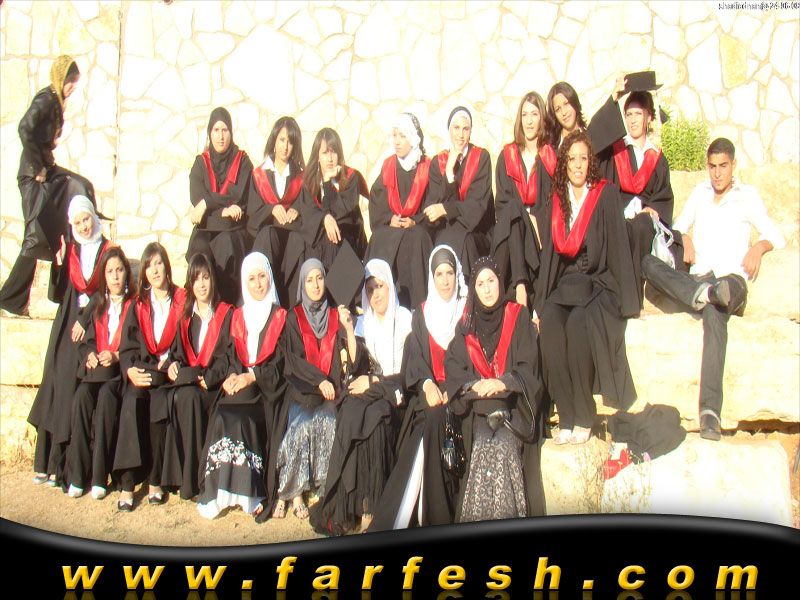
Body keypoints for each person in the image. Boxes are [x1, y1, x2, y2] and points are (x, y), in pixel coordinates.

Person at [641, 138, 785, 441]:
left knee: (717, 305)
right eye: (712, 166)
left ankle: (710, 411)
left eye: (723, 166)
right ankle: (704, 295)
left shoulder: (747, 196)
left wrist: (758, 247)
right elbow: (676, 228)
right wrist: (686, 238)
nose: (717, 173)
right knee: (648, 264)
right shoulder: (700, 193)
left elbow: (775, 235)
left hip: (731, 282)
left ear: (733, 166)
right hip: (701, 280)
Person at [537, 131, 640, 445]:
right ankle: (566, 415)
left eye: (583, 158)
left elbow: (619, 246)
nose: (578, 165)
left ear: (590, 162)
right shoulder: (558, 199)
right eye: (572, 159)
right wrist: (540, 305)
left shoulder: (604, 194)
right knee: (551, 324)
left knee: (579, 325)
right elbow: (550, 257)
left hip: (597, 282)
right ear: (565, 164)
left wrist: (628, 303)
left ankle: (584, 414)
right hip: (566, 284)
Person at [369, 245, 467, 531]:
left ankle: (429, 516)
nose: (445, 281)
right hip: (429, 393)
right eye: (439, 274)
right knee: (426, 424)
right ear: (431, 278)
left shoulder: (467, 312)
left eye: (450, 273)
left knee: (432, 424)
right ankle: (406, 515)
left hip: (460, 392)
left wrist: (452, 388)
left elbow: (471, 358)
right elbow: (416, 360)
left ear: (457, 275)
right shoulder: (422, 314)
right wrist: (427, 384)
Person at [311, 258, 411, 535]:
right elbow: (356, 369)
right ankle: (348, 505)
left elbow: (409, 374)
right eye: (369, 289)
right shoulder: (364, 323)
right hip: (370, 391)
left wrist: (375, 381)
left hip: (396, 393)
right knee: (351, 413)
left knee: (375, 420)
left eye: (380, 287)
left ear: (390, 286)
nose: (375, 294)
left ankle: (370, 508)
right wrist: (348, 329)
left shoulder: (406, 320)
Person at [444, 257, 545, 522]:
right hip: (477, 413)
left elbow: (530, 366)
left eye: (491, 281)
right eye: (480, 284)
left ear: (500, 282)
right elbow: (453, 367)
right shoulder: (466, 326)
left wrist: (504, 382)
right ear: (473, 289)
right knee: (481, 446)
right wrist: (473, 384)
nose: (487, 289)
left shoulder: (518, 316)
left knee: (502, 446)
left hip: (513, 410)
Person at [1, 55, 96, 316]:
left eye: (74, 82)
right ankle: (10, 299)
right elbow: (25, 128)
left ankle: (62, 292)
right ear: (60, 78)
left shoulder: (56, 101)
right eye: (70, 81)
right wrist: (38, 166)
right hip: (33, 176)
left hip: (45, 169)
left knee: (80, 189)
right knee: (35, 236)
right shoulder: (46, 99)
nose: (72, 87)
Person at [28, 196, 112, 487]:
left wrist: (85, 319)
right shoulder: (72, 250)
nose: (84, 226)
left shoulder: (108, 250)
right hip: (66, 326)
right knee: (57, 387)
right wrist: (59, 265)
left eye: (86, 219)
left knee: (78, 394)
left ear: (93, 217)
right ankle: (48, 462)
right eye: (78, 223)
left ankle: (69, 466)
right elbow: (57, 294)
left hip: (93, 325)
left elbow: (106, 291)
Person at [197, 253, 288, 520]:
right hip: (240, 386)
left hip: (266, 391)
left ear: (269, 278)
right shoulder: (238, 316)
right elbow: (227, 355)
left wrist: (253, 377)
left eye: (262, 277)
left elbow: (282, 364)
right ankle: (220, 491)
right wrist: (229, 376)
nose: (258, 284)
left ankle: (249, 493)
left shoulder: (281, 317)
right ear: (244, 283)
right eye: (251, 279)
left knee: (241, 419)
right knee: (223, 414)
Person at [272, 259, 358, 520]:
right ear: (302, 284)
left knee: (328, 419)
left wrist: (348, 326)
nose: (316, 285)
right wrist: (318, 380)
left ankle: (322, 483)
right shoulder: (293, 317)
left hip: (331, 391)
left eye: (320, 278)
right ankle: (293, 491)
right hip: (303, 389)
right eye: (309, 280)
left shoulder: (334, 315)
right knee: (300, 425)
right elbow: (293, 361)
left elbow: (348, 359)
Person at [115, 242, 186, 511]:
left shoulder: (182, 301)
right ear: (144, 272)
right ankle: (127, 483)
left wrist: (175, 362)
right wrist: (129, 370)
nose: (155, 270)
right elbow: (127, 348)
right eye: (149, 265)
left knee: (159, 405)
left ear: (167, 266)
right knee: (131, 401)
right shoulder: (139, 305)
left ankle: (156, 480)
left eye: (158, 263)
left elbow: (188, 343)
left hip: (166, 376)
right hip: (142, 372)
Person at [156, 253, 233, 500]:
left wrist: (210, 378)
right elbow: (177, 355)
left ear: (213, 280)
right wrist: (172, 366)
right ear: (190, 283)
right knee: (184, 397)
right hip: (190, 384)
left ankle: (193, 480)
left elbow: (228, 357)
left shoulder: (225, 314)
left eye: (206, 277)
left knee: (188, 398)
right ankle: (189, 479)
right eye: (196, 279)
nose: (201, 284)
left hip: (213, 387)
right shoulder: (185, 318)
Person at [598, 78, 677, 307]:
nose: (632, 120)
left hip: (644, 225)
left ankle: (634, 299)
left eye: (638, 114)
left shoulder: (657, 158)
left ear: (649, 117)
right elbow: (595, 141)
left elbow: (663, 196)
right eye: (628, 114)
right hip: (618, 219)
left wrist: (653, 210)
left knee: (642, 225)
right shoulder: (615, 152)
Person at [65, 247, 134, 503]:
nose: (115, 276)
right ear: (103, 276)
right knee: (81, 398)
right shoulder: (97, 304)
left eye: (119, 270)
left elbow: (137, 343)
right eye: (110, 271)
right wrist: (90, 355)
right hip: (95, 373)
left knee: (106, 400)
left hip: (116, 376)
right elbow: (85, 342)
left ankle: (98, 476)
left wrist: (116, 355)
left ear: (126, 273)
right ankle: (77, 475)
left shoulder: (134, 306)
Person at [492, 92, 557, 309]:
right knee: (513, 209)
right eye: (525, 114)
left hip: (540, 231)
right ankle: (521, 284)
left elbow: (556, 201)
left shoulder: (550, 157)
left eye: (534, 114)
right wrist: (526, 217)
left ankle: (520, 286)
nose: (529, 121)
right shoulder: (507, 156)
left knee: (515, 211)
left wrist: (537, 219)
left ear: (542, 118)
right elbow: (501, 204)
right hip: (513, 230)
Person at [365, 112, 434, 308]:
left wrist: (415, 220)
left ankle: (417, 306)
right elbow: (377, 200)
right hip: (394, 226)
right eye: (394, 135)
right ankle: (381, 302)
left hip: (418, 226)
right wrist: (389, 218)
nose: (396, 141)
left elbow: (433, 202)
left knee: (416, 238)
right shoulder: (389, 166)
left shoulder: (427, 167)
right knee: (379, 237)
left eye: (402, 136)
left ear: (413, 138)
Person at [187, 107, 254, 305]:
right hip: (207, 228)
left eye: (225, 130)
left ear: (231, 132)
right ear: (210, 133)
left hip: (233, 229)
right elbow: (196, 197)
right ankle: (198, 307)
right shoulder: (200, 163)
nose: (221, 136)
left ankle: (226, 306)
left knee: (226, 244)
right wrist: (223, 210)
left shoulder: (243, 162)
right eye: (216, 130)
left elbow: (238, 196)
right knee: (200, 247)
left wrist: (208, 203)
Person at [247, 116, 312, 304]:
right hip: (268, 237)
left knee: (299, 241)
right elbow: (252, 213)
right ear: (274, 140)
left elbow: (306, 204)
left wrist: (297, 209)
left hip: (292, 234)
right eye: (282, 140)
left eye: (290, 142)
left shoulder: (301, 177)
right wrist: (271, 209)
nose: (285, 147)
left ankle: (295, 306)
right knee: (268, 235)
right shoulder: (259, 175)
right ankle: (267, 302)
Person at [425, 107, 494, 279]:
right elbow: (433, 207)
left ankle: (468, 292)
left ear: (471, 131)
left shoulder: (481, 158)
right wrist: (449, 173)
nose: (461, 135)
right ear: (449, 130)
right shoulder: (438, 162)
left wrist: (446, 209)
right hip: (447, 229)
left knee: (464, 239)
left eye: (465, 129)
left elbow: (476, 206)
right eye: (456, 128)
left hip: (477, 230)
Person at [302, 127, 369, 267]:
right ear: (317, 156)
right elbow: (308, 214)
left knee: (332, 239)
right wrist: (324, 218)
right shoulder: (309, 181)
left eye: (333, 152)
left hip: (347, 235)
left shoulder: (351, 178)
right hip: (320, 237)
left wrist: (327, 182)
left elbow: (341, 213)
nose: (330, 158)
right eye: (325, 153)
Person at [545, 82, 588, 149]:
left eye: (566, 104)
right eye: (558, 109)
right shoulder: (552, 149)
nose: (564, 112)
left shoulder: (591, 137)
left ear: (574, 102)